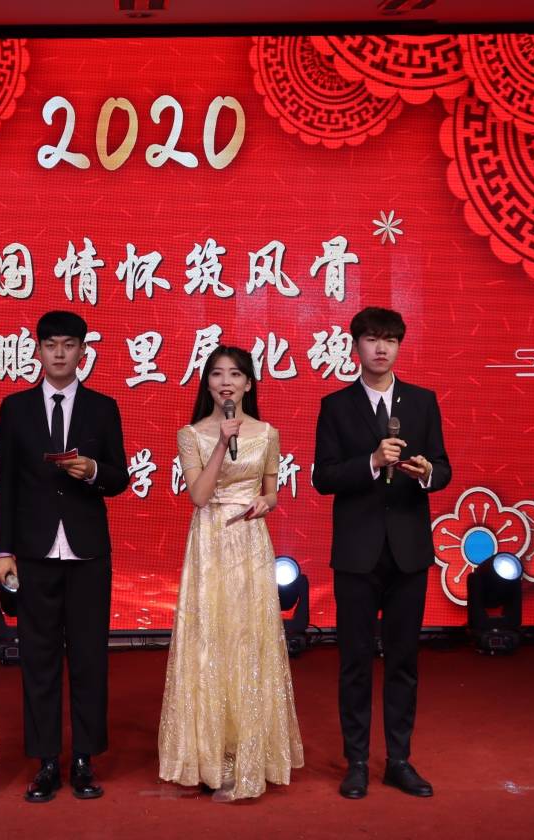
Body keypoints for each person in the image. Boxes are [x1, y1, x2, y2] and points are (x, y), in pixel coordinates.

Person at [314, 307, 451, 800]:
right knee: (354, 661)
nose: (381, 348)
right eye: (372, 339)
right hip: (357, 552)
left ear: (399, 347)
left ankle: (398, 760)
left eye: (390, 340)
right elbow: (323, 477)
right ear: (356, 347)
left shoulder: (422, 401)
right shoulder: (336, 406)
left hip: (409, 551)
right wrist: (371, 462)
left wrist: (427, 472)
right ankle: (356, 761)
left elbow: (444, 467)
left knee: (403, 660)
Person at [0, 310, 129, 804]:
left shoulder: (103, 407)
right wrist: (4, 551)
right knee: (39, 658)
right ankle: (47, 761)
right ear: (37, 350)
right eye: (50, 345)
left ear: (83, 352)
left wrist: (92, 470)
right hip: (33, 551)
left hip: (88, 551)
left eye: (68, 345)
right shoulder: (15, 408)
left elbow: (119, 477)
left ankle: (85, 760)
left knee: (90, 658)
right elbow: (6, 483)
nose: (59, 353)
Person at [158, 346, 304, 802]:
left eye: (235, 374)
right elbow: (199, 496)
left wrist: (266, 503)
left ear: (249, 384)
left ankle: (249, 753)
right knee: (210, 641)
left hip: (251, 540)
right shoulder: (191, 434)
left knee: (249, 639)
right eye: (218, 374)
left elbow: (272, 492)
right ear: (207, 383)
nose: (226, 382)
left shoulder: (267, 433)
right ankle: (209, 756)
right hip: (210, 541)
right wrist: (221, 443)